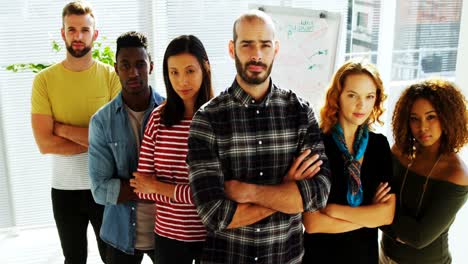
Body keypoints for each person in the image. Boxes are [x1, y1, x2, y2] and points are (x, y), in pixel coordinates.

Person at [186, 10, 331, 263]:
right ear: (232, 49)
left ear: (276, 49)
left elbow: (318, 192)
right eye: (247, 44)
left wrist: (249, 192)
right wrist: (286, 190)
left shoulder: (299, 111)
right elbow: (214, 214)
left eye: (265, 45)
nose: (257, 54)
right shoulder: (207, 119)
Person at [31, 1, 120, 263]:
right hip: (64, 190)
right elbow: (45, 144)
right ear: (63, 33)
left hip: (105, 187)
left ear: (95, 34)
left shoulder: (110, 77)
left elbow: (117, 138)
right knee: (74, 258)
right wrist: (97, 142)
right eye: (71, 29)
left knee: (113, 258)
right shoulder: (44, 80)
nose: (78, 36)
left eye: (84, 29)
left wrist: (62, 128)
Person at [301, 59, 396, 264]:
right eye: (352, 95)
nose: (361, 105)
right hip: (320, 257)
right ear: (337, 97)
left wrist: (334, 211)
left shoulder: (379, 145)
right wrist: (368, 217)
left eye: (369, 96)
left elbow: (386, 216)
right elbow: (312, 223)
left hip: (364, 257)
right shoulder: (316, 143)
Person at [128, 35, 213, 264]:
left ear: (205, 68)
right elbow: (141, 189)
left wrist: (159, 186)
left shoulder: (220, 118)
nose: (182, 81)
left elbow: (217, 193)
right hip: (168, 239)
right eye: (173, 72)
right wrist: (190, 192)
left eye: (189, 71)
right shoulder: (158, 118)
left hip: (214, 237)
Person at [88, 31, 164, 263]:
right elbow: (100, 190)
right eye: (126, 65)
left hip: (168, 234)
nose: (133, 72)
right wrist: (154, 186)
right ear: (116, 68)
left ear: (150, 66)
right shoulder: (101, 121)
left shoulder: (172, 113)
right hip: (120, 233)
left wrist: (127, 186)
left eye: (140, 64)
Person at [380, 78, 468, 264]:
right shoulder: (399, 151)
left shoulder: (456, 174)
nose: (422, 127)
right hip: (384, 255)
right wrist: (397, 231)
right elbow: (373, 192)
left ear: (447, 117)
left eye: (431, 116)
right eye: (414, 119)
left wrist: (376, 213)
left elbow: (419, 237)